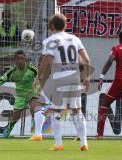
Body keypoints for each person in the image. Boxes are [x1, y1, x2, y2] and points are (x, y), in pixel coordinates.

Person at [38, 14, 90, 151]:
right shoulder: (74, 38)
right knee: (77, 110)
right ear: (65, 25)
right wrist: (87, 77)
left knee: (56, 110)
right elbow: (86, 59)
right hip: (74, 77)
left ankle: (58, 144)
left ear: (52, 26)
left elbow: (47, 61)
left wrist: (41, 79)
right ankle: (84, 143)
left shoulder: (49, 41)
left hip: (59, 78)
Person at [0, 50, 45, 141]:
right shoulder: (12, 70)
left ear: (25, 59)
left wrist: (40, 88)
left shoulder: (32, 69)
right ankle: (8, 129)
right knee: (15, 115)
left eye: (22, 58)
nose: (20, 60)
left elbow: (41, 76)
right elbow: (2, 79)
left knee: (34, 108)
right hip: (20, 96)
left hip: (32, 93)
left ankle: (37, 132)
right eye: (17, 58)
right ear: (15, 60)